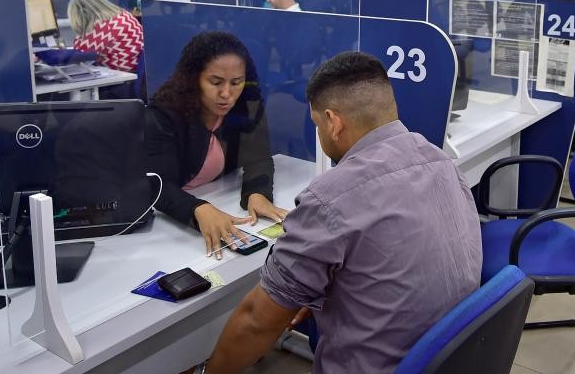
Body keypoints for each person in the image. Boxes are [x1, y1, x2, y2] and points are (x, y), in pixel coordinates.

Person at [192, 52, 481, 374]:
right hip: (450, 358)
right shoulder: (442, 162)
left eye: (317, 125)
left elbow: (256, 323)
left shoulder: (331, 198)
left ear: (333, 122)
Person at [145, 32, 287, 258]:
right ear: (193, 79)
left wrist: (258, 193)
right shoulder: (165, 114)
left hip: (220, 197)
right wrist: (198, 209)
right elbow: (157, 185)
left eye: (236, 82)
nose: (227, 94)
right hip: (168, 223)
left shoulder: (246, 104)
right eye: (215, 82)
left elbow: (259, 158)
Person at [67, 0, 143, 73]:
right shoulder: (124, 15)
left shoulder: (101, 26)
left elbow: (78, 55)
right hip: (134, 69)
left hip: (123, 75)